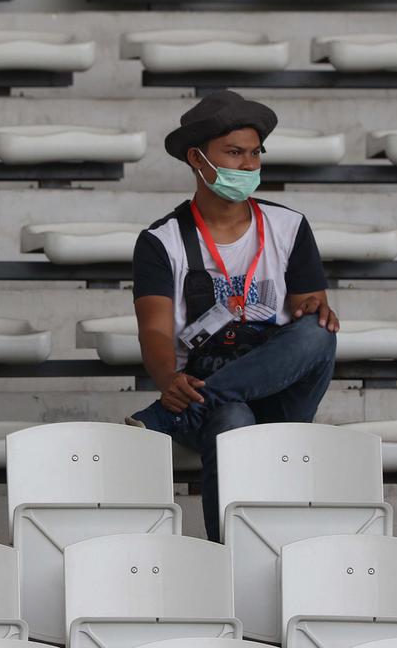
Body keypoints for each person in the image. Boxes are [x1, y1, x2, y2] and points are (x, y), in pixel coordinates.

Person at [128, 90, 340, 541]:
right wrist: (169, 380)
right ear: (197, 158)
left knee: (318, 334)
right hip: (200, 387)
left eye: (255, 154)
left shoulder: (289, 227)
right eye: (234, 153)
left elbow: (310, 307)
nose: (247, 165)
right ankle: (229, 560)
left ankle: (172, 416)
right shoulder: (161, 241)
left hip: (279, 389)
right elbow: (154, 331)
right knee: (232, 422)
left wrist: (315, 307)